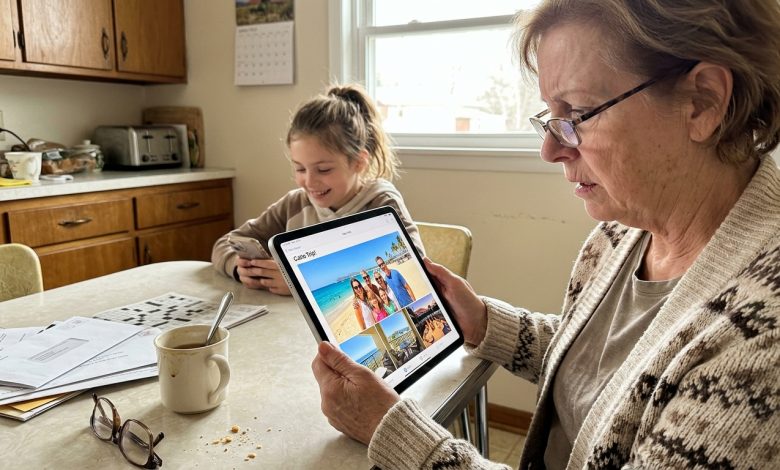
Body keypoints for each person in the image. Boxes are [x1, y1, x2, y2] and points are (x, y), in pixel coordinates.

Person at [311, 1, 780, 469]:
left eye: (579, 112)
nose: (550, 149)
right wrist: (483, 322)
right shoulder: (619, 235)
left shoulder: (763, 334)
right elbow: (605, 368)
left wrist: (395, 432)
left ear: (703, 102)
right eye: (551, 116)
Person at [211, 83, 424, 295]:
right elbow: (224, 244)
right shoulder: (295, 204)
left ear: (359, 162)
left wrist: (300, 284)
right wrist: (239, 267)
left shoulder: (382, 205)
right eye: (300, 168)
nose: (310, 182)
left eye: (323, 170)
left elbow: (416, 267)